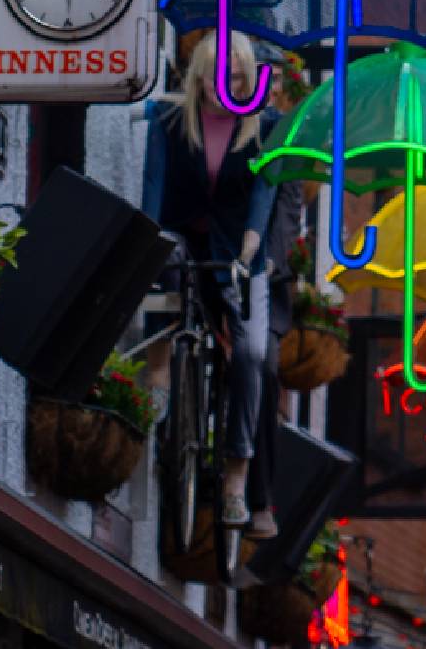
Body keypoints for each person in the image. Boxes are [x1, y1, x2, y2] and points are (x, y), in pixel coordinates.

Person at [137, 28, 280, 533]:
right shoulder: (169, 120)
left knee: (251, 356)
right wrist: (147, 237)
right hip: (185, 238)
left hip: (240, 253)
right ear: (200, 78)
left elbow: (264, 191)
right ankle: (158, 373)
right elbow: (153, 189)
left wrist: (251, 243)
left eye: (241, 79)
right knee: (163, 259)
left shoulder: (266, 126)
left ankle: (236, 481)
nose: (233, 87)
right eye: (224, 77)